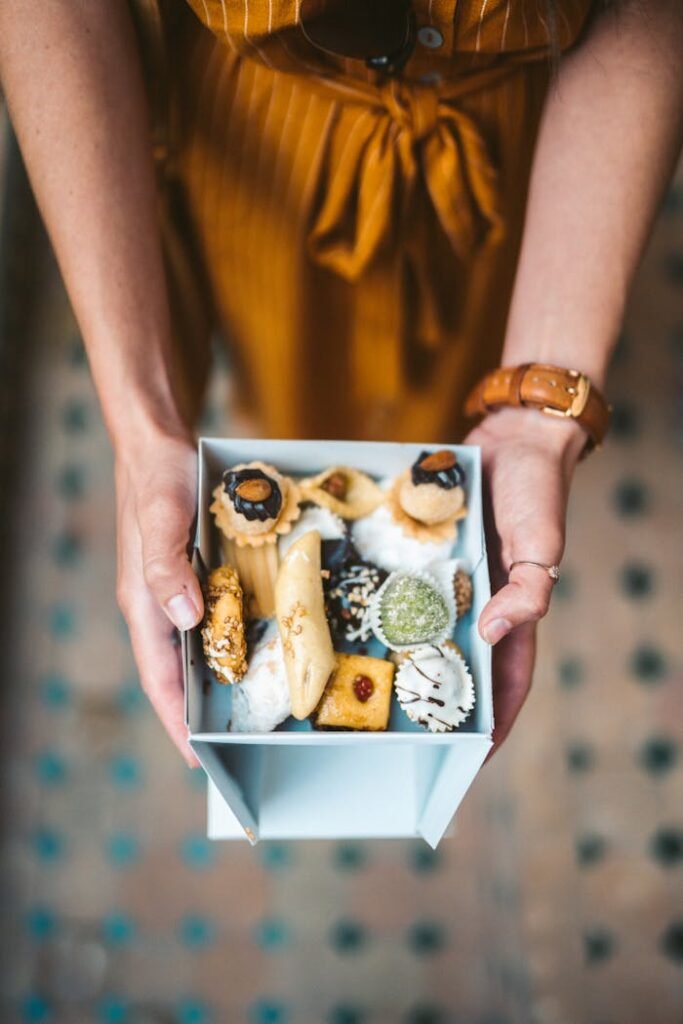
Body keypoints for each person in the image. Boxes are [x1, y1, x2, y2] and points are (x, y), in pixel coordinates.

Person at [0, 0, 681, 768]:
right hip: (257, 136)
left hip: (531, 135)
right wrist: (141, 426)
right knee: (281, 364)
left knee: (461, 368)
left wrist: (539, 409)